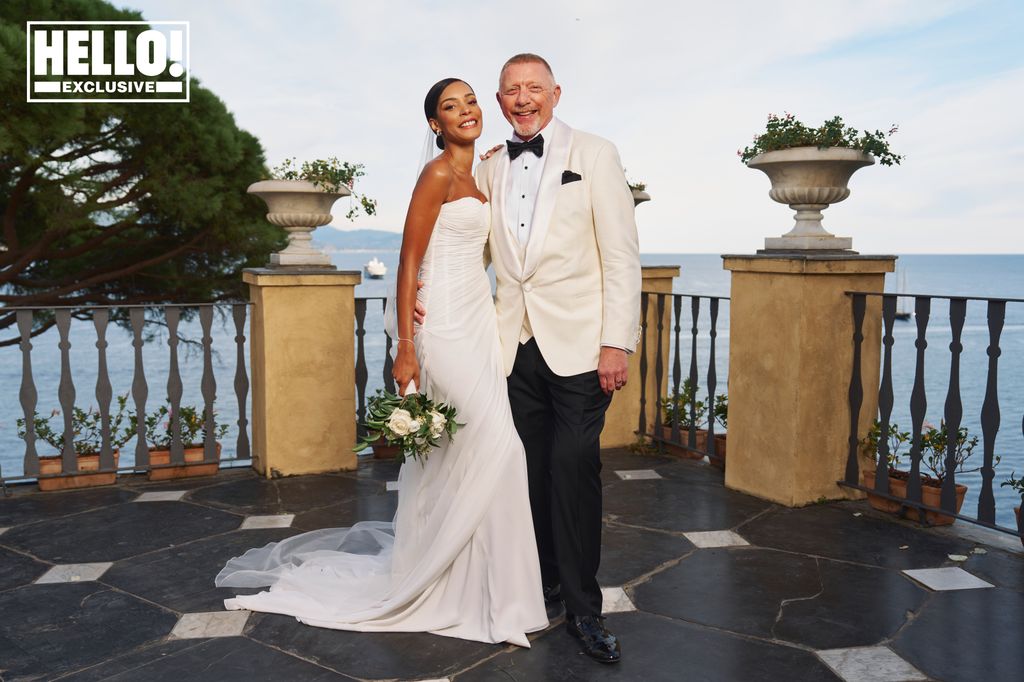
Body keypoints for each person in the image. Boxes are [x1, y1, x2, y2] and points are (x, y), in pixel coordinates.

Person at [214, 78, 548, 648]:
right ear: (435, 125)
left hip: (480, 324)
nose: (465, 111)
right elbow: (408, 258)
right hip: (440, 322)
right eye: (451, 107)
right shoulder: (438, 174)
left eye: (470, 101)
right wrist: (407, 345)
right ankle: (453, 585)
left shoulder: (484, 172)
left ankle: (485, 588)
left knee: (465, 453)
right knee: (499, 446)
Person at [474, 53, 642, 664]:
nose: (523, 98)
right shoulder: (490, 167)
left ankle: (584, 609)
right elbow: (480, 255)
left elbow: (621, 254)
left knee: (573, 469)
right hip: (514, 347)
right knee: (529, 473)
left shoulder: (595, 154)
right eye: (512, 90)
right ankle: (541, 583)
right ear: (499, 101)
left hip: (580, 347)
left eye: (534, 88)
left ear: (555, 94)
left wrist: (616, 341)